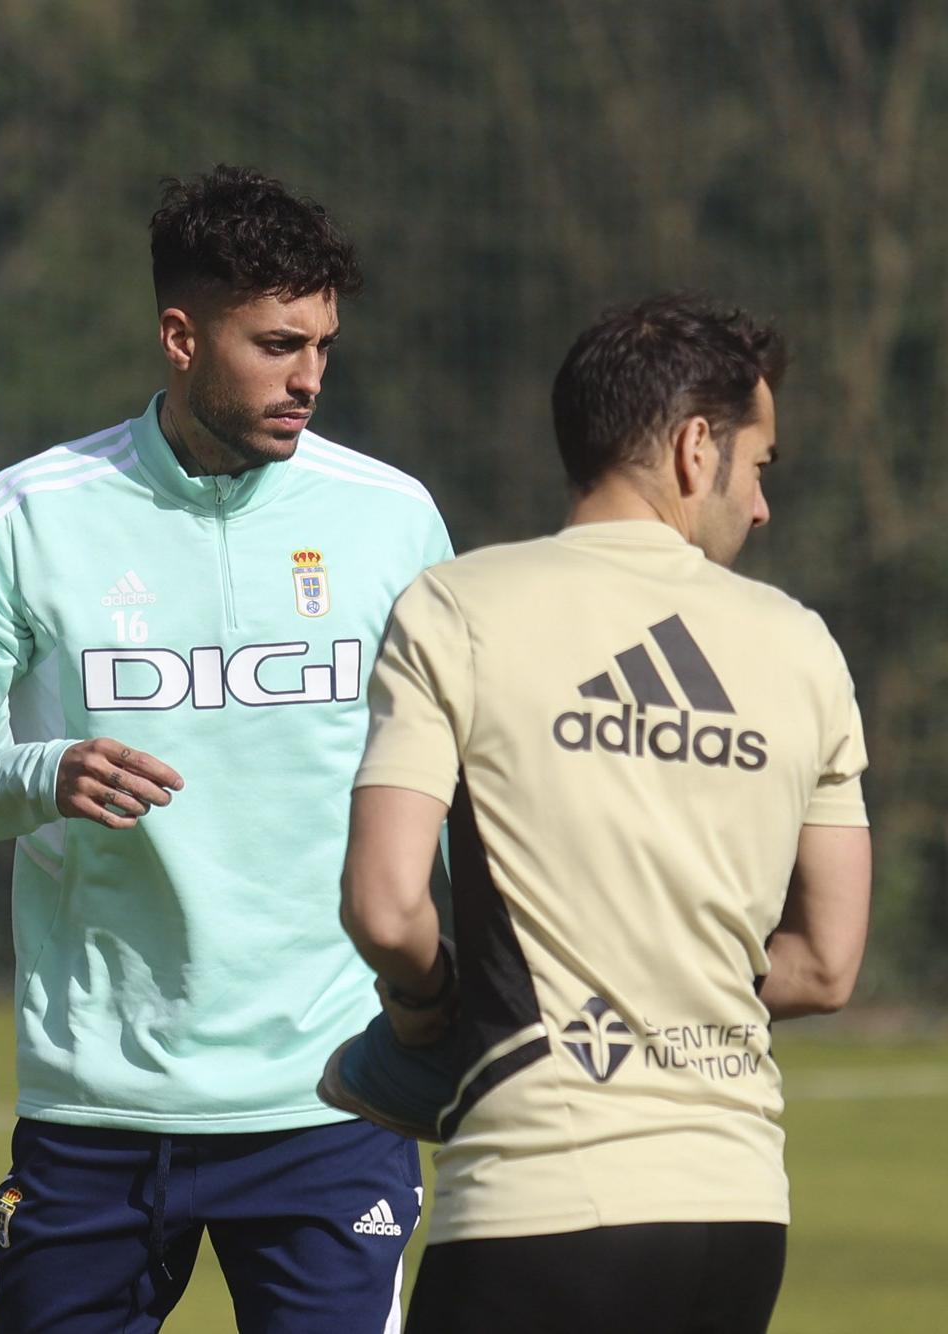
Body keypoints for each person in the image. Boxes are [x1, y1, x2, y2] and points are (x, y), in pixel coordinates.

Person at [0, 165, 455, 1332]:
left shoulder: (391, 519)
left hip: (333, 1102)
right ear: (179, 336)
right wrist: (40, 773)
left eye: (322, 345)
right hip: (98, 1113)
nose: (309, 378)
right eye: (276, 343)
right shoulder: (32, 515)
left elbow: (476, 783)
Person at [329, 294, 872, 1334]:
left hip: (539, 1200)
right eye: (758, 467)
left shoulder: (455, 606)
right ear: (692, 447)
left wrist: (428, 1011)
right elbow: (824, 963)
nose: (759, 506)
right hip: (740, 1212)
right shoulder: (801, 645)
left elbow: (385, 906)